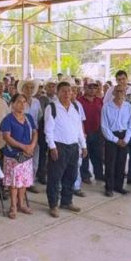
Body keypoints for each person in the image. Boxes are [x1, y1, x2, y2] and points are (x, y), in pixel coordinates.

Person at [43, 81, 86, 218]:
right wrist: (52, 147)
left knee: (71, 175)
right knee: (55, 177)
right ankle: (53, 205)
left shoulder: (75, 107)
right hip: (58, 146)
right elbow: (48, 130)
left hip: (73, 147)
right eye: (63, 91)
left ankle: (67, 201)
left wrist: (83, 145)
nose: (67, 93)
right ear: (58, 92)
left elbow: (79, 129)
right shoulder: (52, 107)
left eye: (69, 90)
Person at [101, 83, 131, 196]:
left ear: (125, 93)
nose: (120, 93)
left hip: (124, 136)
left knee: (121, 163)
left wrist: (126, 139)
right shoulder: (106, 107)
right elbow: (104, 127)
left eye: (122, 91)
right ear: (114, 93)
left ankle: (118, 186)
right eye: (118, 91)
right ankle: (109, 188)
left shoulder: (128, 106)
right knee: (110, 163)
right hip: (111, 137)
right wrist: (116, 140)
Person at [77, 81, 104, 187]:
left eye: (95, 88)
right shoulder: (79, 101)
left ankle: (99, 174)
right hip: (84, 133)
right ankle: (85, 176)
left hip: (97, 132)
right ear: (85, 88)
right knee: (85, 155)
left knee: (98, 155)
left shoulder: (99, 100)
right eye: (90, 87)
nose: (92, 90)